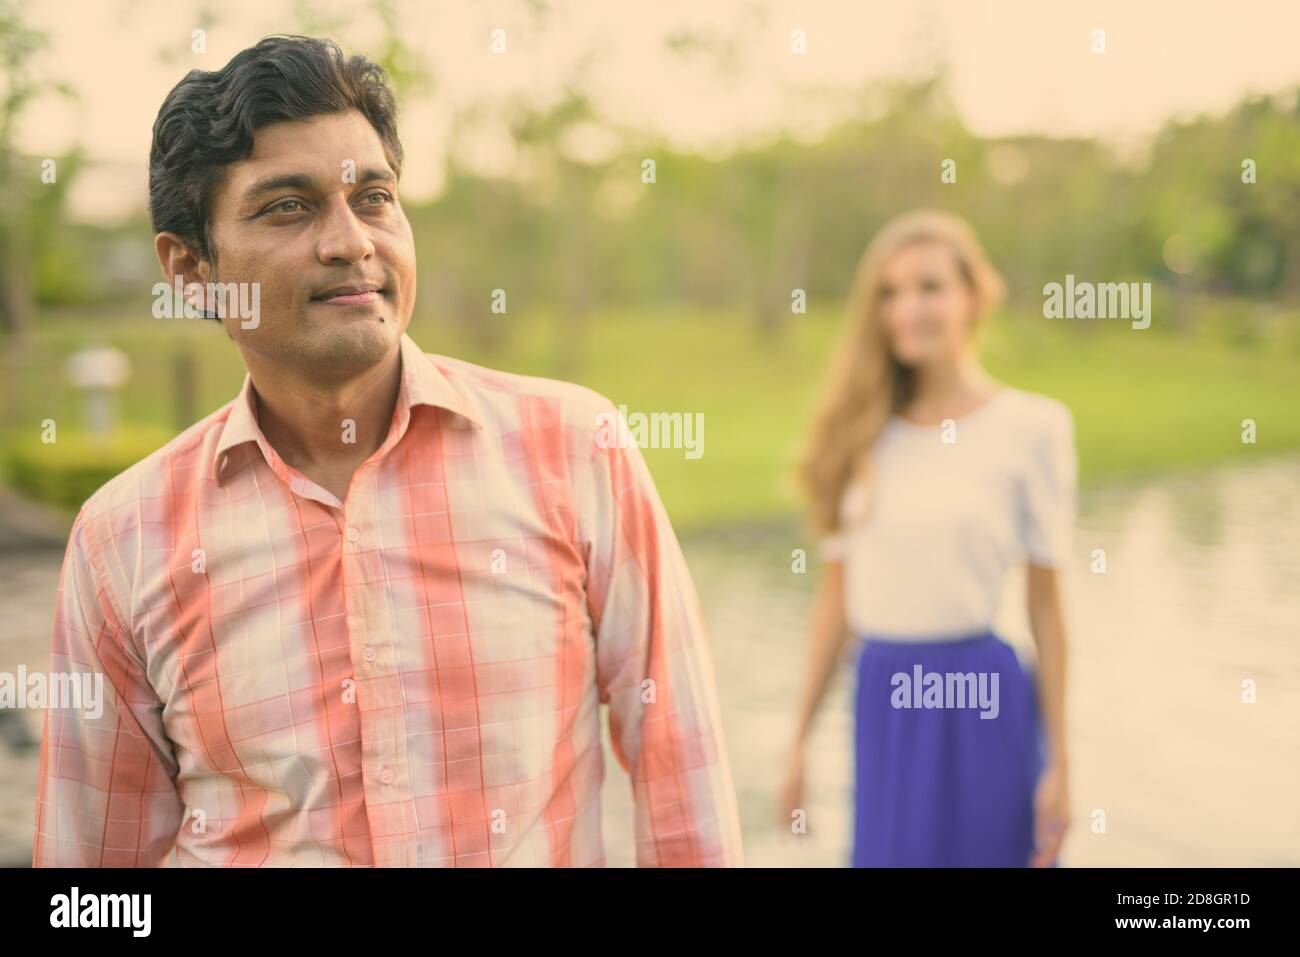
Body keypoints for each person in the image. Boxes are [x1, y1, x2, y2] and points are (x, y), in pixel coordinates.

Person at [33, 36, 742, 868]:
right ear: (190, 269)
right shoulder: (123, 539)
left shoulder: (574, 452)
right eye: (288, 207)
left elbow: (682, 779)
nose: (350, 242)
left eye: (373, 197)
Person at [780, 210, 1075, 867]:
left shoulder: (1034, 427)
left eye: (929, 286)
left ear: (974, 296)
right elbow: (835, 604)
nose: (908, 307)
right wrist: (797, 740)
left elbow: (1047, 605)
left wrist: (1062, 760)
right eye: (890, 292)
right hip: (884, 695)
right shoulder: (857, 434)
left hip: (983, 693)